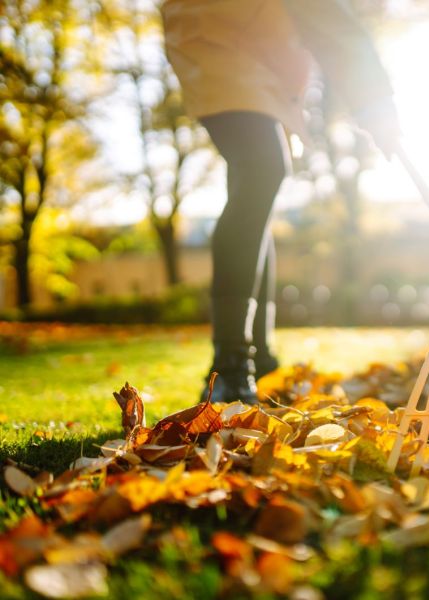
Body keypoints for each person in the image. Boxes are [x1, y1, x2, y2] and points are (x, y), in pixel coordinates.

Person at [161, 0, 401, 404]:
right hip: (215, 32)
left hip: (260, 53)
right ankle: (230, 366)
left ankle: (260, 360)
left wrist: (374, 104)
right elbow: (332, 21)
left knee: (256, 187)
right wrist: (375, 101)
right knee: (262, 169)